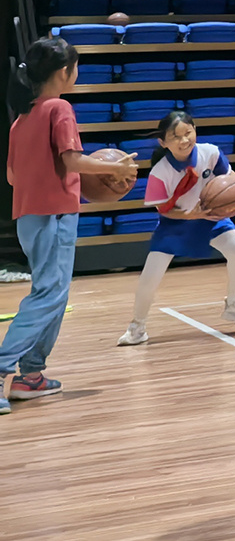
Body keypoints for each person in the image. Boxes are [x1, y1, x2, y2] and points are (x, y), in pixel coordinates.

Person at [2, 36, 136, 413]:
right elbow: (74, 161)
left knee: (54, 295)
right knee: (48, 295)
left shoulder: (20, 120)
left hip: (27, 218)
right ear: (65, 72)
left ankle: (31, 376)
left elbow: (13, 177)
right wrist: (117, 167)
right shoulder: (59, 108)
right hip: (54, 215)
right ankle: (2, 367)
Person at [118, 108, 235, 346]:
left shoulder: (211, 153)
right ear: (163, 142)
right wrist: (190, 215)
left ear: (195, 131)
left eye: (188, 133)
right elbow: (163, 210)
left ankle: (234, 305)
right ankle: (137, 327)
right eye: (176, 136)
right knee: (150, 277)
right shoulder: (160, 172)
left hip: (211, 217)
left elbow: (230, 181)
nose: (184, 140)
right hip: (175, 223)